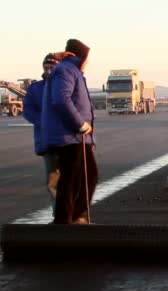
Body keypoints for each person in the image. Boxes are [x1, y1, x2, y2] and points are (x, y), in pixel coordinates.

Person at [41, 39, 98, 224]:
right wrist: (80, 124)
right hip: (70, 135)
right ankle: (66, 220)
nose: (88, 61)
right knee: (74, 179)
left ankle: (72, 217)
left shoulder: (71, 71)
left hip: (76, 136)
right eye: (87, 57)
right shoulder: (66, 70)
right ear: (80, 55)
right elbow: (61, 100)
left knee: (82, 177)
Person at [22, 53, 63, 213]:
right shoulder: (35, 88)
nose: (49, 70)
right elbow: (28, 111)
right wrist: (45, 122)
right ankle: (59, 215)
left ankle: (71, 213)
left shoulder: (64, 85)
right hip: (47, 141)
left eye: (52, 67)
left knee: (69, 180)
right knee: (52, 181)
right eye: (46, 67)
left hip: (67, 140)